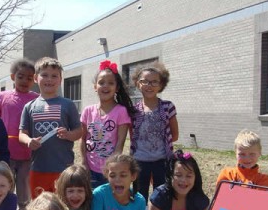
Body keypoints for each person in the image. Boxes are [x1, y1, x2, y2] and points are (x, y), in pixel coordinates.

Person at [19, 57, 82, 198]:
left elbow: (79, 131)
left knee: (63, 207)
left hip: (63, 168)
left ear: (60, 80)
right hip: (38, 168)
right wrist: (29, 141)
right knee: (40, 207)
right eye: (45, 75)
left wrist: (68, 135)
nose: (49, 79)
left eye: (54, 76)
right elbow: (22, 134)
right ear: (35, 78)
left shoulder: (68, 104)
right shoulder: (29, 107)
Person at [0, 59, 38, 209]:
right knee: (5, 187)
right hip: (6, 153)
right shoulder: (2, 97)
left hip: (28, 154)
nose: (25, 80)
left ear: (34, 79)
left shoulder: (37, 99)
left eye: (29, 78)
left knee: (25, 191)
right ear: (12, 77)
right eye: (20, 76)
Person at [81, 60, 134, 189]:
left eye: (111, 83)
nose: (105, 86)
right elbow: (82, 140)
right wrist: (84, 163)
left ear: (117, 88)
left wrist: (111, 168)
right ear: (95, 87)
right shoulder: (88, 111)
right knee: (92, 203)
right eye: (101, 82)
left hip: (110, 171)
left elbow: (120, 144)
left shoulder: (121, 111)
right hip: (90, 169)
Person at [129, 62, 178, 200]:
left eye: (154, 82)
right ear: (138, 84)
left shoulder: (168, 107)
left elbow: (174, 135)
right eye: (145, 81)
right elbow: (133, 136)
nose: (149, 85)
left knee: (162, 195)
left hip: (162, 161)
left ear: (161, 85)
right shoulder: (133, 110)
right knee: (139, 196)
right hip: (139, 161)